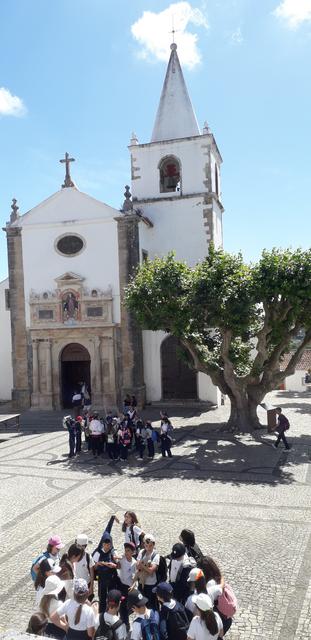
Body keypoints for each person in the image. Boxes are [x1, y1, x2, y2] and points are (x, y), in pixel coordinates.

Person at [93, 532, 118, 612]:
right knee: (102, 597)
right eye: (106, 544)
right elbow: (93, 566)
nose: (107, 547)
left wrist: (114, 565)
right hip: (102, 579)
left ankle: (112, 612)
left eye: (109, 545)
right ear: (102, 544)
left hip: (112, 579)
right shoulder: (98, 552)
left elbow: (118, 564)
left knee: (112, 597)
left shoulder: (113, 552)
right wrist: (99, 564)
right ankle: (102, 614)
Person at [135, 533, 159, 610]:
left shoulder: (155, 555)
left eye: (150, 546)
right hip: (142, 582)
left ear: (153, 545)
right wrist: (145, 566)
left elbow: (151, 571)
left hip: (151, 584)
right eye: (146, 546)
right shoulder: (142, 552)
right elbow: (137, 566)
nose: (148, 548)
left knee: (151, 604)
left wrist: (142, 565)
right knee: (142, 603)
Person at [39, 574, 67, 639]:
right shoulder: (59, 604)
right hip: (58, 629)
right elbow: (63, 619)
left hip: (46, 628)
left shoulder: (42, 601)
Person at [117, 542, 137, 626]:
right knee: (122, 605)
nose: (126, 552)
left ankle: (125, 622)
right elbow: (118, 566)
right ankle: (124, 621)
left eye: (128, 550)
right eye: (125, 550)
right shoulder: (122, 559)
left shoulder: (134, 563)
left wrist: (133, 585)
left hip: (128, 587)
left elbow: (135, 576)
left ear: (132, 552)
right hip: (121, 584)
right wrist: (117, 561)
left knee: (125, 605)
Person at [75, 534, 95, 599]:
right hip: (76, 585)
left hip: (86, 584)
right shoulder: (72, 555)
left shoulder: (88, 557)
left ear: (85, 546)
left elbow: (92, 573)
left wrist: (91, 587)